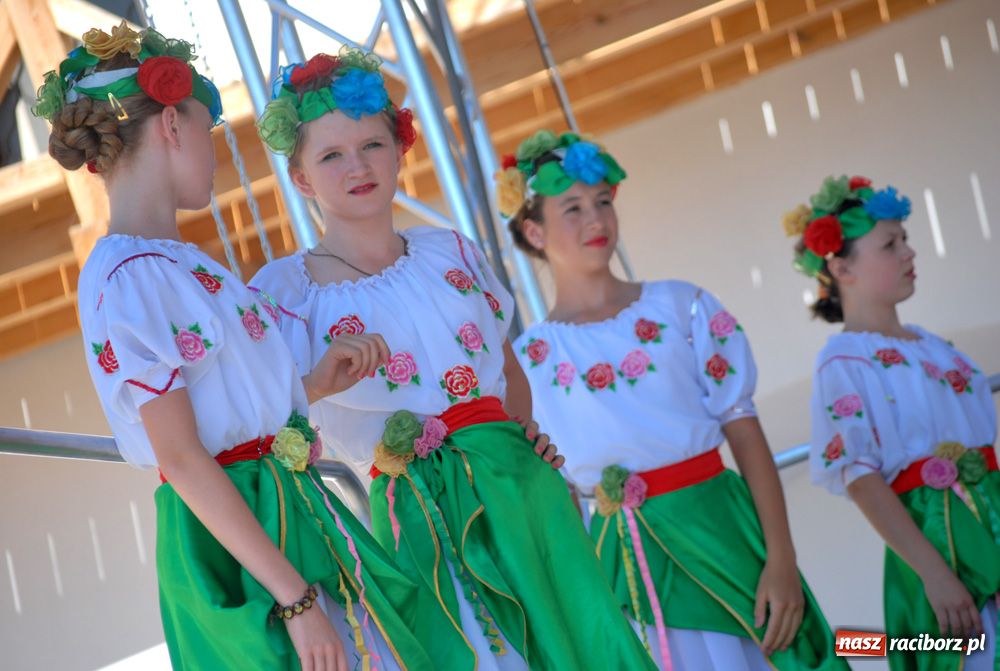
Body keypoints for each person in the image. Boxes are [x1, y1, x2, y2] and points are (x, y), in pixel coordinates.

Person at [41, 23, 466, 670]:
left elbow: (221, 405)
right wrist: (294, 600)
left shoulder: (178, 265)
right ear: (172, 125)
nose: (216, 152)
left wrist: (313, 384)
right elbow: (181, 458)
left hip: (283, 510)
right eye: (209, 131)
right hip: (247, 537)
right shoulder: (127, 278)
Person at [250, 49, 658, 670]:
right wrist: (317, 382)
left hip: (521, 487)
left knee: (579, 645)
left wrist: (523, 437)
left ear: (400, 149)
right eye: (331, 155)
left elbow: (506, 366)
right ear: (301, 178)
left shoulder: (449, 251)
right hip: (416, 511)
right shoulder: (286, 292)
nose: (357, 166)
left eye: (372, 145)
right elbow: (269, 423)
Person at [504, 129, 847, 670]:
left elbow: (746, 435)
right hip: (623, 564)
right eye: (571, 208)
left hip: (725, 533)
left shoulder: (682, 307)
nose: (596, 220)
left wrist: (781, 559)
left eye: (602, 202)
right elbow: (562, 499)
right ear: (533, 230)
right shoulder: (527, 359)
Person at [788, 174, 999, 670]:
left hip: (990, 517)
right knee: (966, 651)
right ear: (842, 267)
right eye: (890, 244)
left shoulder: (932, 346)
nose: (909, 253)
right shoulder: (845, 361)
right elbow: (861, 478)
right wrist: (935, 574)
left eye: (905, 240)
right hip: (938, 546)